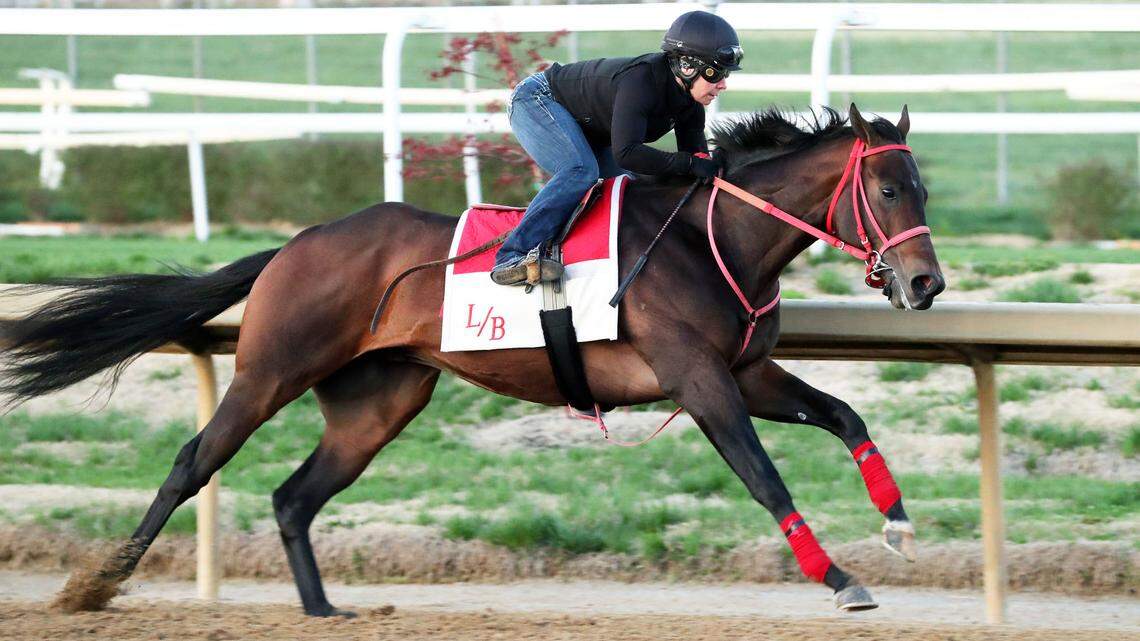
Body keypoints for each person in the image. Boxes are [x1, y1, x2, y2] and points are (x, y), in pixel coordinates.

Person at [490, 10, 743, 286]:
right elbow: (628, 153)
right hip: (537, 99)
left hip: (585, 125)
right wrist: (690, 164)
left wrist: (716, 170)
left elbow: (695, 166)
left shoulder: (691, 105)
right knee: (580, 171)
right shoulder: (641, 82)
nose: (723, 84)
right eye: (716, 72)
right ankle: (512, 255)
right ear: (687, 66)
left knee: (628, 186)